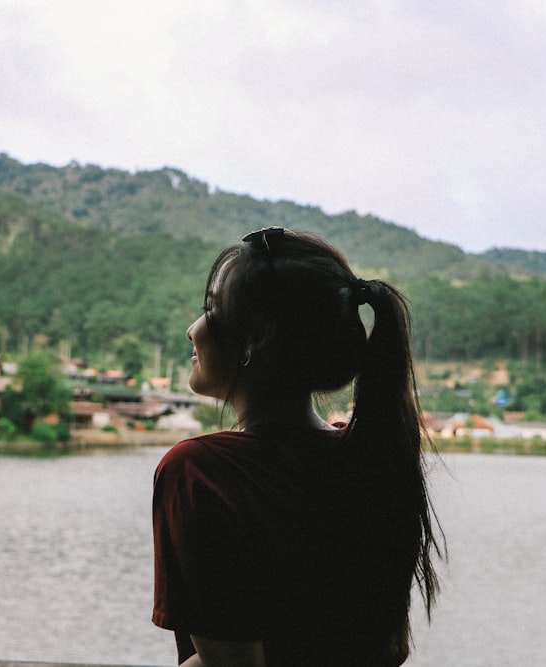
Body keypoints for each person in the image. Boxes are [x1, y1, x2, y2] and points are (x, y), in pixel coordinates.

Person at [152, 227, 443, 666]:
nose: (192, 330)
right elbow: (391, 649)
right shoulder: (367, 457)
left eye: (209, 310)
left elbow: (231, 666)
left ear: (256, 337)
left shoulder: (200, 473)